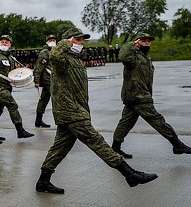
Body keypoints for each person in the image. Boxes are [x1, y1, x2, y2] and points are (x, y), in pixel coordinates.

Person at [35, 28, 158, 194]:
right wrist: (66, 42)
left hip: (77, 109)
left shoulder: (75, 60)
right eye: (78, 40)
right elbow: (55, 55)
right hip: (70, 111)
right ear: (69, 41)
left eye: (82, 40)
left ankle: (43, 181)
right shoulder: (61, 61)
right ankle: (129, 174)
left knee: (60, 148)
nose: (82, 42)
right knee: (96, 141)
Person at [110, 33, 191, 157]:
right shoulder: (133, 57)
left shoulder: (145, 57)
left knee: (126, 122)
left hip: (138, 95)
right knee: (157, 119)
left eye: (149, 41)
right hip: (138, 96)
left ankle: (115, 147)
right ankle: (177, 144)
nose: (147, 42)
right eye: (144, 40)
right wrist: (132, 44)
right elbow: (122, 56)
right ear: (137, 42)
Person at [0, 34, 34, 141]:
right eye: (2, 42)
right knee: (12, 105)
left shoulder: (10, 57)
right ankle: (20, 130)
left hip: (6, 87)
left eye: (6, 42)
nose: (4, 43)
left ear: (10, 44)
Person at [32, 34, 57, 127]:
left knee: (43, 100)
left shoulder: (56, 51)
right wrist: (37, 81)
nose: (52, 41)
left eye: (54, 40)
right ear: (46, 42)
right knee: (58, 99)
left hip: (53, 79)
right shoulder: (45, 52)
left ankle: (38, 120)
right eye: (50, 40)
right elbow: (38, 67)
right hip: (48, 79)